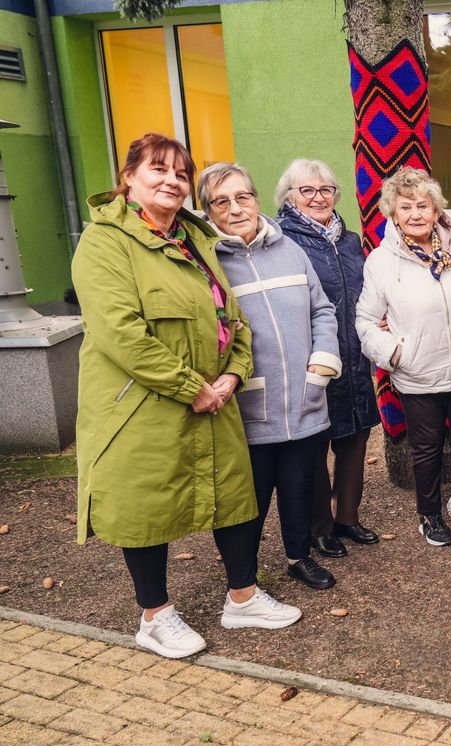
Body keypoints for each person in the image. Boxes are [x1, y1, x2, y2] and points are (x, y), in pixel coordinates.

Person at [72, 134, 300, 660]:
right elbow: (121, 334)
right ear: (129, 176)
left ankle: (242, 598)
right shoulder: (104, 242)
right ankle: (155, 615)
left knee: (234, 497)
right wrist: (190, 387)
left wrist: (233, 377)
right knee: (147, 505)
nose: (172, 181)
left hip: (213, 399)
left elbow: (233, 319)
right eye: (158, 170)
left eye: (180, 173)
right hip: (140, 404)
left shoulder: (193, 239)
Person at [201, 162, 342, 590]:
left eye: (243, 197)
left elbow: (322, 309)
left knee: (299, 491)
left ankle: (299, 558)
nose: (235, 208)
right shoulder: (207, 261)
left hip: (304, 398)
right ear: (207, 210)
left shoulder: (289, 249)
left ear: (256, 200)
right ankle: (242, 578)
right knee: (247, 503)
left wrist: (322, 361)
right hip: (246, 409)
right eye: (221, 201)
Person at [356, 167, 451, 548]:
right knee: (426, 450)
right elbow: (365, 320)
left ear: (436, 209)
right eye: (405, 207)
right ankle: (430, 516)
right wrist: (394, 353)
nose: (415, 214)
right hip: (418, 373)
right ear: (393, 214)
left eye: (422, 205)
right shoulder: (382, 261)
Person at [275, 159, 382, 559]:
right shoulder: (282, 240)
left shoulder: (350, 239)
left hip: (354, 355)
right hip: (314, 356)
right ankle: (320, 528)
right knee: (316, 445)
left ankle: (347, 518)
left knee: (355, 438)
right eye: (308, 190)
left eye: (326, 190)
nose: (319, 198)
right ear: (290, 197)